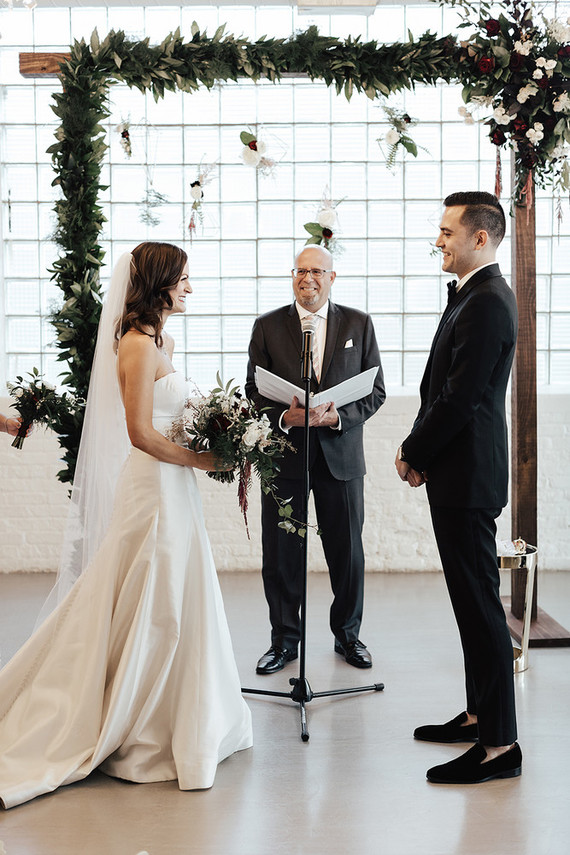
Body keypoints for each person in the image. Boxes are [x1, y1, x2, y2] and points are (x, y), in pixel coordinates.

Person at [0, 242, 252, 810]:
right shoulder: (136, 345)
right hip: (154, 486)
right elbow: (140, 432)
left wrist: (212, 434)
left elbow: (173, 418)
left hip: (175, 485)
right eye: (183, 279)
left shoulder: (164, 338)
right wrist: (203, 461)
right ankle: (135, 721)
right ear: (160, 282)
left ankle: (180, 712)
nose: (189, 287)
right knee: (151, 597)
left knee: (178, 592)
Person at [395, 191, 521, 784]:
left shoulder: (489, 300)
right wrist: (426, 456)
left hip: (469, 476)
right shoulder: (471, 295)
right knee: (468, 606)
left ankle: (501, 747)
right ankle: (478, 714)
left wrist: (414, 451)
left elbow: (461, 398)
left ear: (480, 237)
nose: (438, 240)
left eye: (447, 232)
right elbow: (443, 388)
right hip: (456, 472)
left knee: (482, 609)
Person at [245, 245, 385, 675]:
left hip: (340, 458)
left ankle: (348, 636)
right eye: (300, 271)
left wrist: (338, 416)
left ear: (332, 277)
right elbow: (252, 393)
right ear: (293, 276)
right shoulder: (267, 326)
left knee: (347, 553)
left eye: (317, 272)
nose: (308, 279)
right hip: (284, 457)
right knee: (283, 553)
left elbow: (375, 392)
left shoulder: (359, 324)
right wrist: (284, 417)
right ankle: (284, 641)